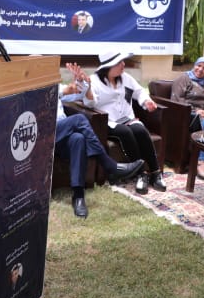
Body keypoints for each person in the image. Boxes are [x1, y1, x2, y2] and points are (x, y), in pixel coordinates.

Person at [55, 66, 145, 219]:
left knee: (78, 139)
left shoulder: (55, 87)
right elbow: (62, 92)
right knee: (79, 119)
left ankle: (78, 196)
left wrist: (82, 82)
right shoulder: (31, 91)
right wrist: (65, 90)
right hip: (45, 136)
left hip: (62, 137)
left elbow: (77, 92)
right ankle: (109, 165)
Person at [84, 52, 165, 194]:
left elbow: (139, 92)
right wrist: (88, 89)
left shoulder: (126, 78)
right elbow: (90, 103)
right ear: (109, 66)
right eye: (119, 62)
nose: (123, 64)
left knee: (140, 130)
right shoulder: (94, 81)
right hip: (108, 122)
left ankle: (155, 172)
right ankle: (141, 174)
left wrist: (146, 102)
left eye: (123, 61)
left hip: (128, 118)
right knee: (125, 132)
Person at [170, 56, 204, 180]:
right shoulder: (183, 78)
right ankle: (202, 162)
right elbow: (176, 100)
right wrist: (196, 111)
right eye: (198, 65)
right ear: (194, 65)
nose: (200, 69)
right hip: (188, 116)